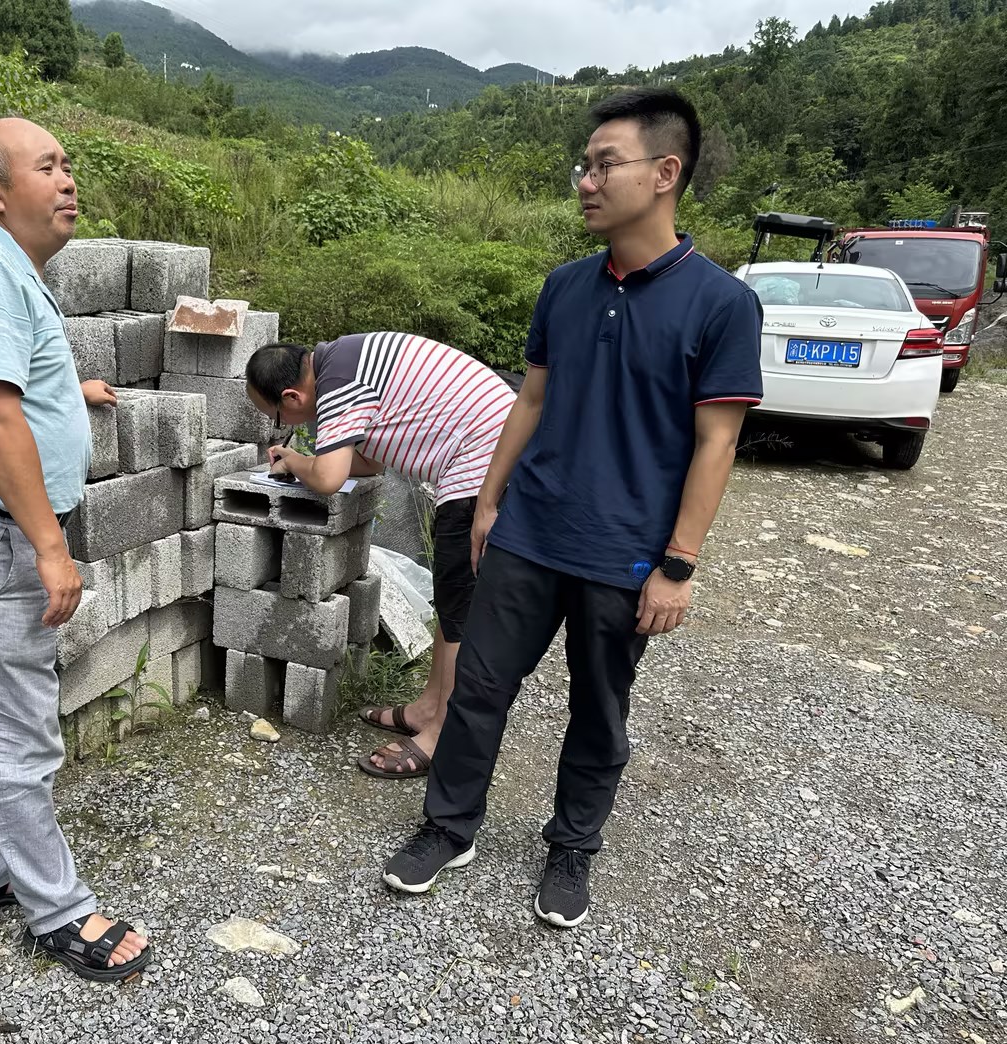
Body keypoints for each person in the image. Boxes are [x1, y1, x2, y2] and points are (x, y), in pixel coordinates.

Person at [381, 89, 765, 928]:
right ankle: (449, 826)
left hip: (626, 550)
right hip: (530, 529)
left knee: (598, 707)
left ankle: (573, 845)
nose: (586, 182)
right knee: (479, 685)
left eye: (604, 164)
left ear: (665, 173)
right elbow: (531, 398)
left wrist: (678, 564)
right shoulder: (565, 286)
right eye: (583, 167)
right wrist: (489, 500)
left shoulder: (722, 303)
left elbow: (718, 443)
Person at [0, 116, 152, 982]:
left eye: (68, 165)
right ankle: (60, 911)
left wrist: (65, 390)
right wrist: (51, 546)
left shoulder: (6, 268)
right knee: (18, 730)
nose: (69, 179)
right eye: (47, 166)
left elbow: (6, 384)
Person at [244, 334, 516, 778]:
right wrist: (305, 456)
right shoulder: (340, 364)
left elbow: (329, 478)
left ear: (292, 397)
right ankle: (428, 708)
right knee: (452, 604)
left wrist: (293, 461)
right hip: (487, 442)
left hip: (484, 456)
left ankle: (443, 734)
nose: (280, 425)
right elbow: (369, 464)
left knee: (460, 609)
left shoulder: (337, 385)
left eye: (276, 417)